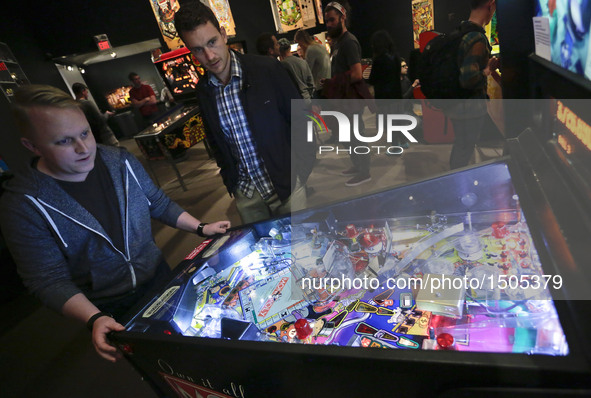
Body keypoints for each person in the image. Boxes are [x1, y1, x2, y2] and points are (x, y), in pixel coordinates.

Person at [0, 84, 230, 363]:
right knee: (165, 364)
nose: (83, 148)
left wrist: (200, 228)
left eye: (85, 133)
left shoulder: (119, 160)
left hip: (160, 275)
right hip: (110, 304)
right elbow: (46, 278)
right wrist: (94, 317)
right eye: (63, 141)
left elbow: (157, 202)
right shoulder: (23, 204)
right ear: (32, 146)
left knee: (202, 341)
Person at [174, 1, 315, 224]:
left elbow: (302, 120)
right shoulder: (203, 90)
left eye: (212, 42)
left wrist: (301, 173)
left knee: (303, 249)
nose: (210, 56)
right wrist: (230, 181)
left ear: (223, 34)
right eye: (198, 49)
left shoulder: (266, 69)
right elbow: (216, 141)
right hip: (247, 196)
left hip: (286, 185)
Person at [322, 0, 373, 187]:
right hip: (342, 101)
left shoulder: (349, 42)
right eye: (327, 21)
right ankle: (357, 166)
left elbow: (357, 73)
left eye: (332, 20)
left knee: (355, 136)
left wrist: (333, 82)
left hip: (351, 102)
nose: (329, 24)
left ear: (343, 18)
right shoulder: (339, 43)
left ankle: (364, 172)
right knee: (347, 136)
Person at [447, 0, 500, 169]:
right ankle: (458, 189)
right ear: (490, 5)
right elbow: (468, 79)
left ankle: (457, 184)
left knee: (461, 146)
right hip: (469, 108)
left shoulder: (462, 29)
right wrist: (488, 69)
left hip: (457, 104)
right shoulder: (476, 37)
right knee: (464, 150)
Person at [72, 82, 119, 147]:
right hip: (105, 136)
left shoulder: (74, 106)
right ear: (83, 91)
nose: (87, 94)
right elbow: (101, 120)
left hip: (93, 137)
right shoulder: (88, 103)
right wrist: (107, 114)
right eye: (86, 92)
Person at [294, 29, 331, 96]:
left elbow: (307, 71)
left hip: (320, 86)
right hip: (328, 83)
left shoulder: (310, 49)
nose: (300, 45)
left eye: (299, 43)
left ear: (302, 41)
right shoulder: (319, 46)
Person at [368, 30, 401, 100]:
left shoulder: (379, 59)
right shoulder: (396, 56)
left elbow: (372, 80)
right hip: (397, 96)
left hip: (383, 98)